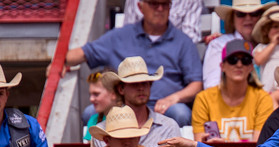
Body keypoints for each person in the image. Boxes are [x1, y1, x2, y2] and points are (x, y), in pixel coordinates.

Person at [65, 0, 202, 127]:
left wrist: (173, 98)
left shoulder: (183, 42)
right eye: (154, 4)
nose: (160, 9)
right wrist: (58, 64)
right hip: (122, 103)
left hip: (165, 107)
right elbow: (82, 53)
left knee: (181, 113)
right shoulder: (120, 36)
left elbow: (196, 84)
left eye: (165, 4)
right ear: (140, 7)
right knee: (91, 113)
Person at [91, 57, 189, 147]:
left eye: (145, 83)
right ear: (121, 89)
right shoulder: (103, 131)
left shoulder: (169, 127)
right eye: (134, 84)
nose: (141, 88)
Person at [193, 39, 274, 143]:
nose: (239, 65)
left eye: (245, 60)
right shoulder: (204, 99)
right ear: (222, 66)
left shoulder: (262, 98)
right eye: (233, 60)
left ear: (250, 67)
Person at [204, 0, 275, 90]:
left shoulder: (273, 44)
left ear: (261, 17)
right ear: (232, 18)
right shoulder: (220, 45)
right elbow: (212, 86)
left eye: (254, 13)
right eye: (241, 14)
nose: (248, 18)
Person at [123, 0, 204, 43]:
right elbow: (128, 33)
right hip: (139, 56)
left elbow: (191, 38)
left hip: (174, 58)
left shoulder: (192, 1)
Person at [83, 70, 123, 143]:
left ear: (113, 94)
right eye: (90, 94)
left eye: (96, 94)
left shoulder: (128, 118)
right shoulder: (93, 120)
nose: (91, 99)